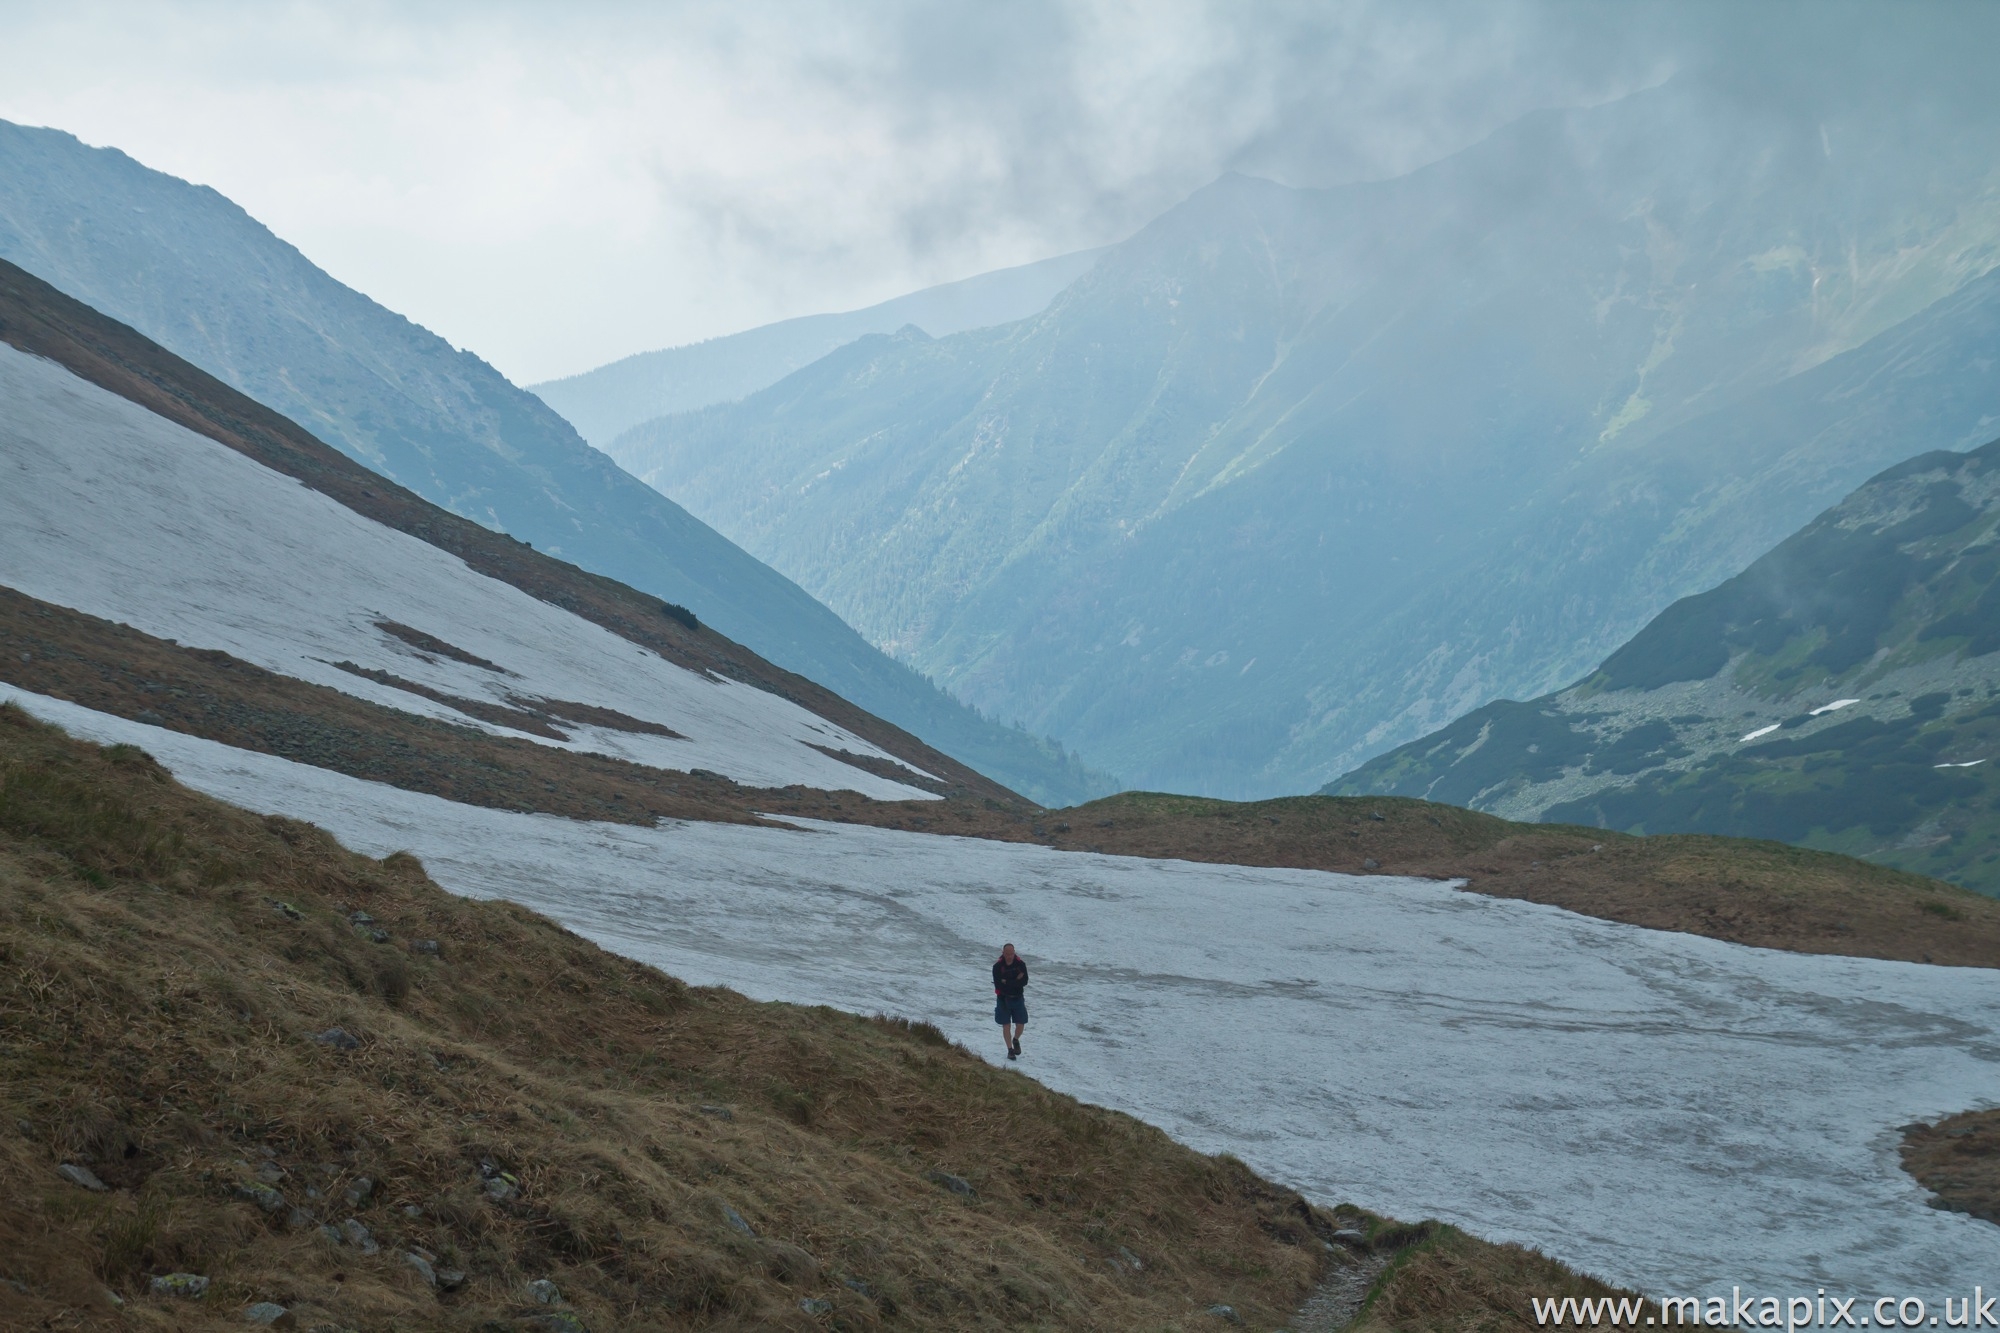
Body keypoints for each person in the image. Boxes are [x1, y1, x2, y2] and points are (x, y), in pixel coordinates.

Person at [992, 942, 1028, 1060]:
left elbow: (1024, 982)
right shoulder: (997, 967)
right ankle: (1010, 1050)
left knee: (1021, 1024)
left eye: (1011, 953)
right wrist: (1015, 981)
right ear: (1003, 953)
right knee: (1006, 1024)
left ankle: (1016, 1039)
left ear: (1014, 952)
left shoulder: (1021, 964)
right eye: (1007, 954)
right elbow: (998, 986)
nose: (1009, 956)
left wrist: (1007, 982)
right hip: (1003, 999)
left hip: (1018, 997)